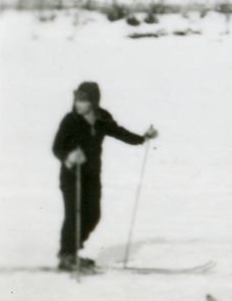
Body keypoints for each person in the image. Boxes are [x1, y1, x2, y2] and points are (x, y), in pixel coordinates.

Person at [51, 81, 157, 271]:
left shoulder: (102, 119)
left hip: (92, 176)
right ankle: (66, 255)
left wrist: (143, 138)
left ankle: (71, 252)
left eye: (83, 100)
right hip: (71, 177)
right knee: (73, 215)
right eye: (76, 99)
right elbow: (56, 147)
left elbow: (120, 132)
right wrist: (68, 156)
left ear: (93, 101)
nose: (78, 104)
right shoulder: (70, 121)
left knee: (92, 215)